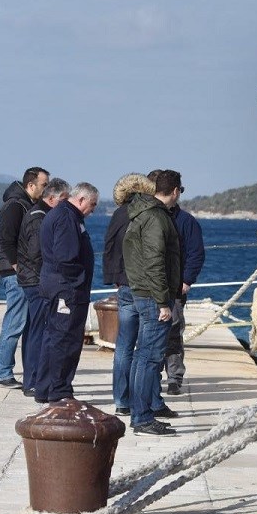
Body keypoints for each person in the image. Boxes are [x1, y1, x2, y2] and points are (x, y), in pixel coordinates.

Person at [124, 171, 183, 435]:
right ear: (175, 191)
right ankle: (142, 416)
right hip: (152, 296)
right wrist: (163, 302)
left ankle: (141, 412)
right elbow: (155, 261)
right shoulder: (156, 218)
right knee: (149, 358)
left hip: (143, 292)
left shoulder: (142, 213)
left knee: (142, 357)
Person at [104, 172, 167, 418]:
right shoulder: (149, 214)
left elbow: (110, 245)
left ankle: (122, 399)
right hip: (142, 285)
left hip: (124, 283)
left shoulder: (120, 214)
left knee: (124, 345)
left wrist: (113, 278)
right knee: (146, 348)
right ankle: (144, 401)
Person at [32, 182, 98, 404]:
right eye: (92, 204)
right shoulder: (66, 218)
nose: (93, 210)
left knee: (53, 338)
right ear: (81, 200)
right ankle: (58, 390)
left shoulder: (63, 215)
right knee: (64, 340)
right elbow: (65, 257)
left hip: (60, 286)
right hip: (66, 290)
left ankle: (46, 388)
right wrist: (78, 280)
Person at [0, 166, 50, 388]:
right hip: (15, 272)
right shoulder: (15, 206)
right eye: (44, 185)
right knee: (15, 322)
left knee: (27, 323)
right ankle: (4, 373)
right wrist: (18, 266)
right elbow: (7, 240)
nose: (46, 189)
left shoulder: (28, 204)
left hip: (23, 271)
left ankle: (27, 372)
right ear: (31, 185)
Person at [15, 177, 70, 397]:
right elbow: (37, 254)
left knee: (34, 330)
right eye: (64, 199)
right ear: (52, 198)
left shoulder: (41, 214)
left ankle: (34, 377)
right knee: (37, 331)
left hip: (33, 278)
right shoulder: (39, 218)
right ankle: (33, 379)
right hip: (36, 281)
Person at [161, 170, 204, 396]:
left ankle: (175, 377)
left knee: (174, 333)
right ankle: (153, 374)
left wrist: (187, 280)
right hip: (154, 287)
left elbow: (196, 253)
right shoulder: (151, 218)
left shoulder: (186, 222)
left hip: (176, 287)